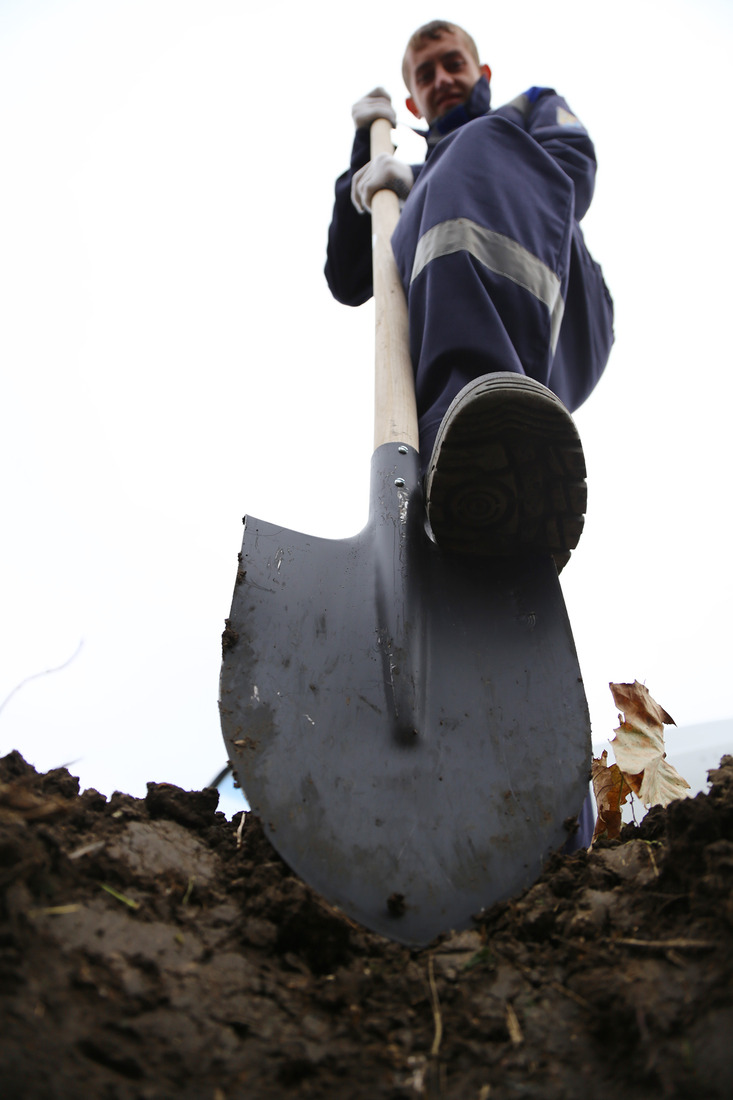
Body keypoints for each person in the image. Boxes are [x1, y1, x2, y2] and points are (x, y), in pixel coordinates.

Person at [325, 20, 614, 569]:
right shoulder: (411, 189)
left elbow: (572, 167)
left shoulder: (528, 109)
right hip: (450, 357)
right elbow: (348, 276)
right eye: (426, 74)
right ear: (412, 103)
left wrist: (428, 176)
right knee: (426, 213)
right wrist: (360, 159)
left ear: (481, 72)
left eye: (453, 64)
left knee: (475, 147)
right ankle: (466, 474)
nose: (442, 79)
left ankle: (491, 414)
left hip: (564, 311)